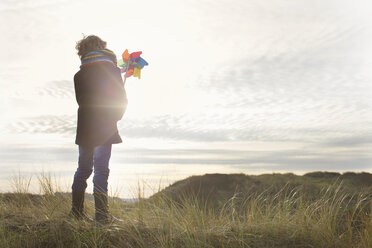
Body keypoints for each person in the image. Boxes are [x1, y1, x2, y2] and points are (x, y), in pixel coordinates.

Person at [70, 35, 128, 223]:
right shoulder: (112, 69)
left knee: (83, 169)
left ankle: (76, 213)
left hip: (86, 128)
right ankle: (102, 216)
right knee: (101, 170)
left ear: (83, 51)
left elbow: (82, 102)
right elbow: (120, 99)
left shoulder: (78, 75)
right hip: (104, 127)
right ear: (101, 47)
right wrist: (115, 117)